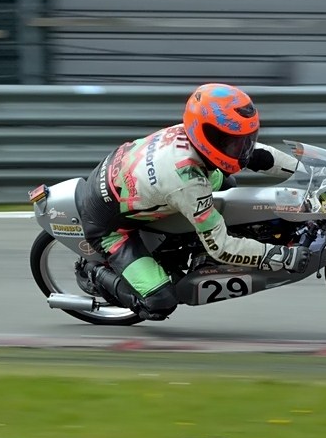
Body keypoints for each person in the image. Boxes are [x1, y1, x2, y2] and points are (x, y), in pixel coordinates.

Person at [80, 83, 312, 321]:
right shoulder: (187, 182)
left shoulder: (193, 132)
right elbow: (221, 248)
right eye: (232, 142)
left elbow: (258, 155)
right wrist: (279, 256)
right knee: (160, 303)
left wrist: (306, 172)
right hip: (109, 226)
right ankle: (94, 273)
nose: (240, 149)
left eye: (244, 140)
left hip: (129, 179)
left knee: (227, 184)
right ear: (206, 133)